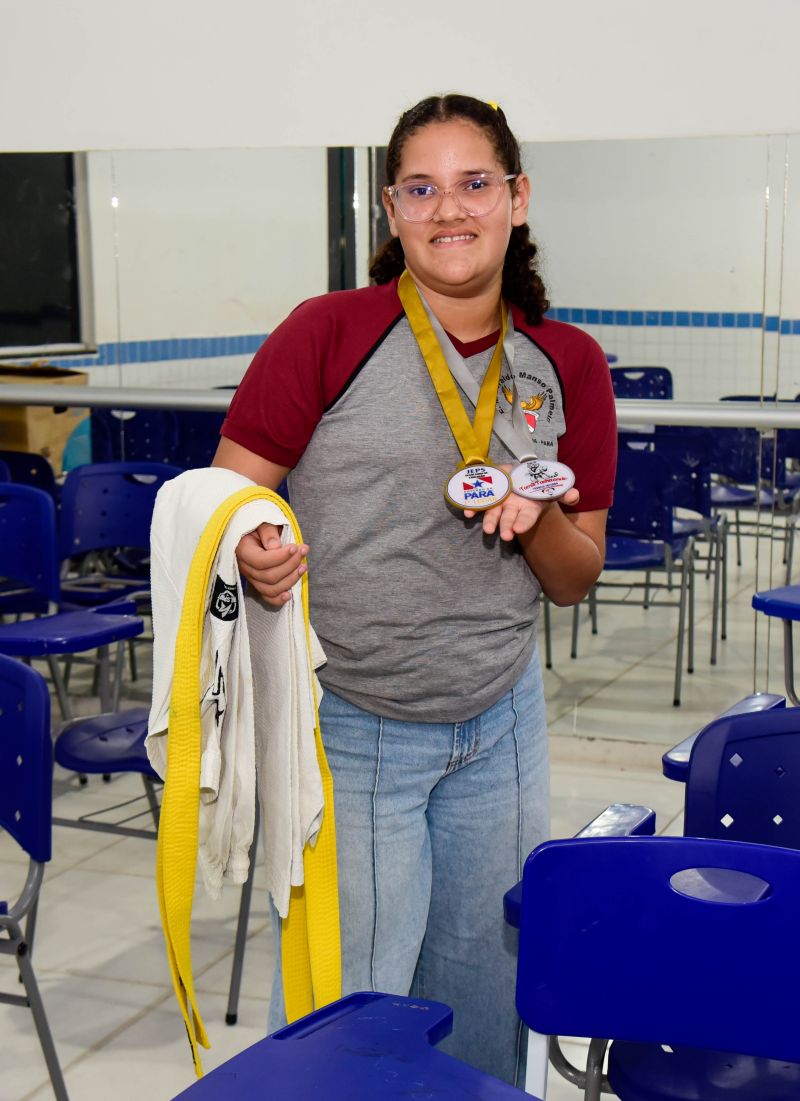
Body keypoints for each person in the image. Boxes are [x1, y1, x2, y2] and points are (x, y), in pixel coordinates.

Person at [212, 93, 617, 1085]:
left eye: (474, 183)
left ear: (515, 198)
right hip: (355, 722)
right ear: (391, 212)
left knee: (487, 1002)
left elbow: (575, 577)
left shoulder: (564, 363)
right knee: (346, 1019)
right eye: (421, 189)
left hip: (501, 720)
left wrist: (539, 521)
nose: (449, 210)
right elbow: (224, 505)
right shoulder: (327, 333)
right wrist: (253, 547)